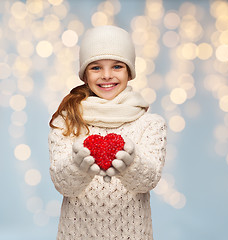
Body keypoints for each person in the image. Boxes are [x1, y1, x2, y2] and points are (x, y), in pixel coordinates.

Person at [48, 25, 167, 239]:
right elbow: (63, 184)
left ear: (130, 72)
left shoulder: (150, 124)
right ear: (84, 74)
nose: (106, 75)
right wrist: (78, 164)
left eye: (117, 66)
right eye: (96, 68)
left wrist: (131, 162)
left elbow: (148, 181)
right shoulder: (67, 122)